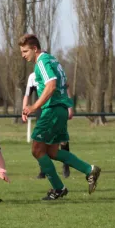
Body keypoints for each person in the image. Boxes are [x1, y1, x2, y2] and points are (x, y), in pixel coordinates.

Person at [19, 34, 101, 200]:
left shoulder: (41, 62)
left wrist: (34, 106)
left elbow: (51, 85)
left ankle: (58, 188)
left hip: (52, 110)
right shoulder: (53, 60)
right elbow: (64, 84)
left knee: (36, 149)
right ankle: (88, 170)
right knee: (52, 151)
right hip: (61, 109)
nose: (23, 55)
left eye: (25, 51)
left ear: (35, 49)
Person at [23, 72, 72, 179]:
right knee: (41, 142)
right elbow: (27, 94)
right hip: (42, 111)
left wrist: (70, 107)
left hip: (58, 108)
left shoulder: (55, 71)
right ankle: (43, 170)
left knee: (62, 140)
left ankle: (66, 165)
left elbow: (66, 89)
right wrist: (24, 109)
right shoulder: (32, 76)